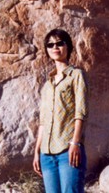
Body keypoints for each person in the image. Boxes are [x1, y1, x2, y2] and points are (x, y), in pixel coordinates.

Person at [32, 28, 87, 193]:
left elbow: (81, 112)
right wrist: (37, 152)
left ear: (68, 47)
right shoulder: (47, 85)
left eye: (59, 43)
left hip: (67, 150)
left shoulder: (76, 75)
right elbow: (43, 121)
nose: (55, 47)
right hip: (46, 154)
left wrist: (75, 143)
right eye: (50, 45)